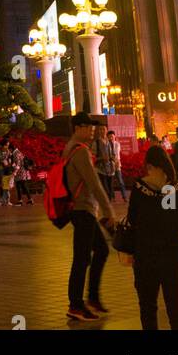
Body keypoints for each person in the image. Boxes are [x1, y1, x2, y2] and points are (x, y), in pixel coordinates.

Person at [121, 144, 178, 330]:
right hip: (173, 257)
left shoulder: (139, 188)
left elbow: (132, 220)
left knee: (148, 310)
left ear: (151, 166)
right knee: (177, 313)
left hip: (145, 257)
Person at [63, 112, 116, 323]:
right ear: (78, 128)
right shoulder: (80, 151)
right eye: (88, 127)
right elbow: (94, 183)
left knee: (100, 250)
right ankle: (76, 305)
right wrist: (109, 211)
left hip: (82, 210)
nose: (92, 130)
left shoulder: (71, 148)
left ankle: (92, 298)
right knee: (82, 258)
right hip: (82, 209)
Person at [93, 124, 115, 201]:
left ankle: (109, 202)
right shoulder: (96, 143)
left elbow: (113, 154)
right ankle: (106, 202)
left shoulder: (110, 142)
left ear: (106, 130)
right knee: (105, 188)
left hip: (110, 169)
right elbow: (93, 157)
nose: (102, 131)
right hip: (100, 169)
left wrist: (113, 159)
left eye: (103, 129)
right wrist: (102, 158)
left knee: (110, 187)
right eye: (100, 129)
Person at [107, 131, 128, 201]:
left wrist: (117, 162)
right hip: (110, 165)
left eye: (112, 136)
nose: (111, 138)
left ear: (114, 136)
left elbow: (116, 154)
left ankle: (124, 196)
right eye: (109, 137)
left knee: (120, 180)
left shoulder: (117, 144)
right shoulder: (106, 145)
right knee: (111, 182)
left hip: (117, 164)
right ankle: (112, 197)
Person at [0, 138, 13, 206]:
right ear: (2, 145)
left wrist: (9, 160)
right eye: (6, 145)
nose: (7, 147)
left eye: (8, 145)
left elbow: (9, 158)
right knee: (4, 184)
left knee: (6, 184)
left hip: (6, 169)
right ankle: (3, 200)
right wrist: (5, 159)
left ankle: (4, 200)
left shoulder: (7, 150)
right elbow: (0, 158)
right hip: (0, 168)